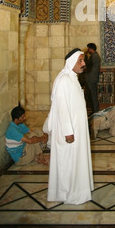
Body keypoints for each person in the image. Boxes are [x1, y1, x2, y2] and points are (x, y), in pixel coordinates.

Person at [47, 48, 94, 205]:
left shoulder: (72, 78)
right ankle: (69, 194)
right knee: (68, 164)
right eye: (80, 61)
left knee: (76, 162)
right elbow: (61, 108)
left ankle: (79, 190)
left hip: (77, 129)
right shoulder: (63, 80)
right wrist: (68, 132)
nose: (83, 64)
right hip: (69, 131)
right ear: (71, 62)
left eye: (83, 60)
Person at [85, 43, 101, 113]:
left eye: (88, 48)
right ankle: (94, 110)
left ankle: (95, 111)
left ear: (91, 49)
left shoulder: (94, 56)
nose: (87, 50)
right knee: (93, 95)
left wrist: (85, 56)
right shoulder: (96, 56)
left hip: (91, 78)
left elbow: (87, 64)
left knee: (93, 96)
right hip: (93, 78)